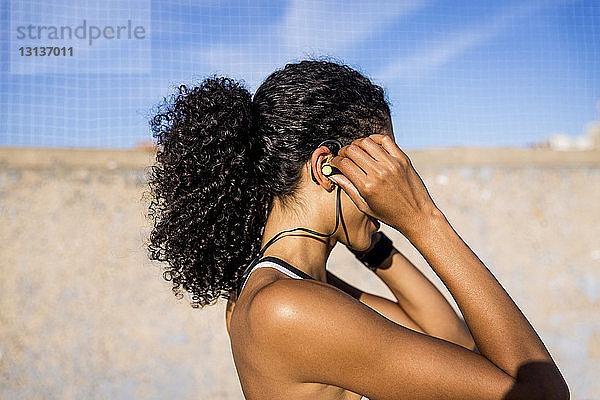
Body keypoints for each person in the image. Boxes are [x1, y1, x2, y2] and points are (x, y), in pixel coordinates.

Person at [146, 59, 569, 399]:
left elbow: (448, 337)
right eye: (384, 162)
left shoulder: (292, 286)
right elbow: (540, 393)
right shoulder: (285, 307)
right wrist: (422, 217)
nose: (393, 182)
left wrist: (374, 246)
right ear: (326, 168)